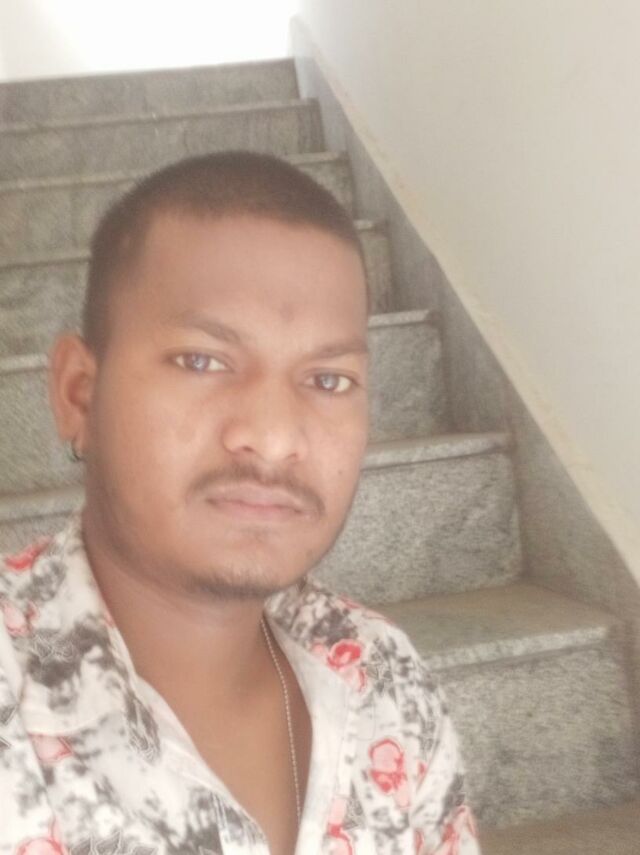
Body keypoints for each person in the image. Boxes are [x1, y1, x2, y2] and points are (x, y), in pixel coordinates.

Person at [0, 152, 480, 855]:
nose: (275, 437)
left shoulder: (382, 674)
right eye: (202, 360)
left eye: (328, 379)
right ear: (79, 394)